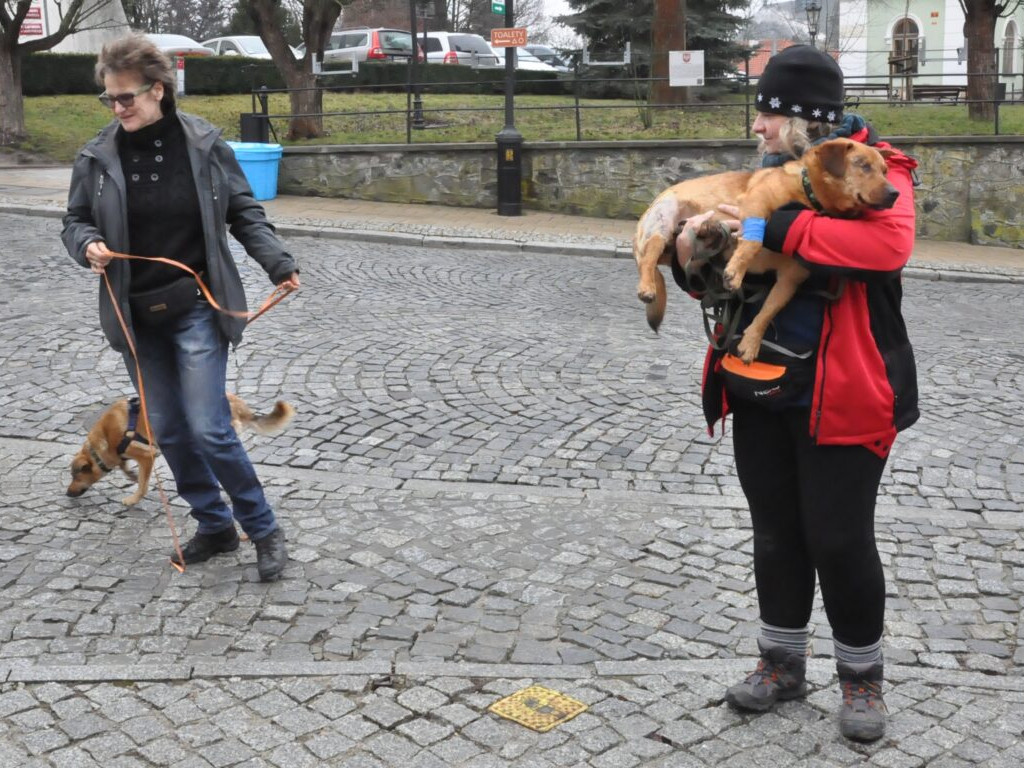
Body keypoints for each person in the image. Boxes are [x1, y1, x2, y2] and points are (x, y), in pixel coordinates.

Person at [671, 45, 919, 742]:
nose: (757, 127)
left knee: (838, 538)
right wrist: (691, 255)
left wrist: (768, 224)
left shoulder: (881, 170)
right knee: (775, 531)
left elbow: (884, 250)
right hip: (759, 381)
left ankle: (861, 678)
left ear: (808, 120)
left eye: (769, 114)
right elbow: (724, 271)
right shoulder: (770, 177)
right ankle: (781, 664)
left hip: (847, 390)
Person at [62, 34, 300, 582]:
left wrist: (277, 262)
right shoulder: (97, 156)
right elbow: (75, 220)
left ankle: (263, 529)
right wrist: (87, 244)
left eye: (126, 97)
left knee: (210, 426)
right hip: (135, 315)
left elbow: (243, 211)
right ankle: (214, 526)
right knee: (167, 430)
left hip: (196, 307)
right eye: (109, 99)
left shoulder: (203, 145)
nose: (117, 108)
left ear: (158, 90)